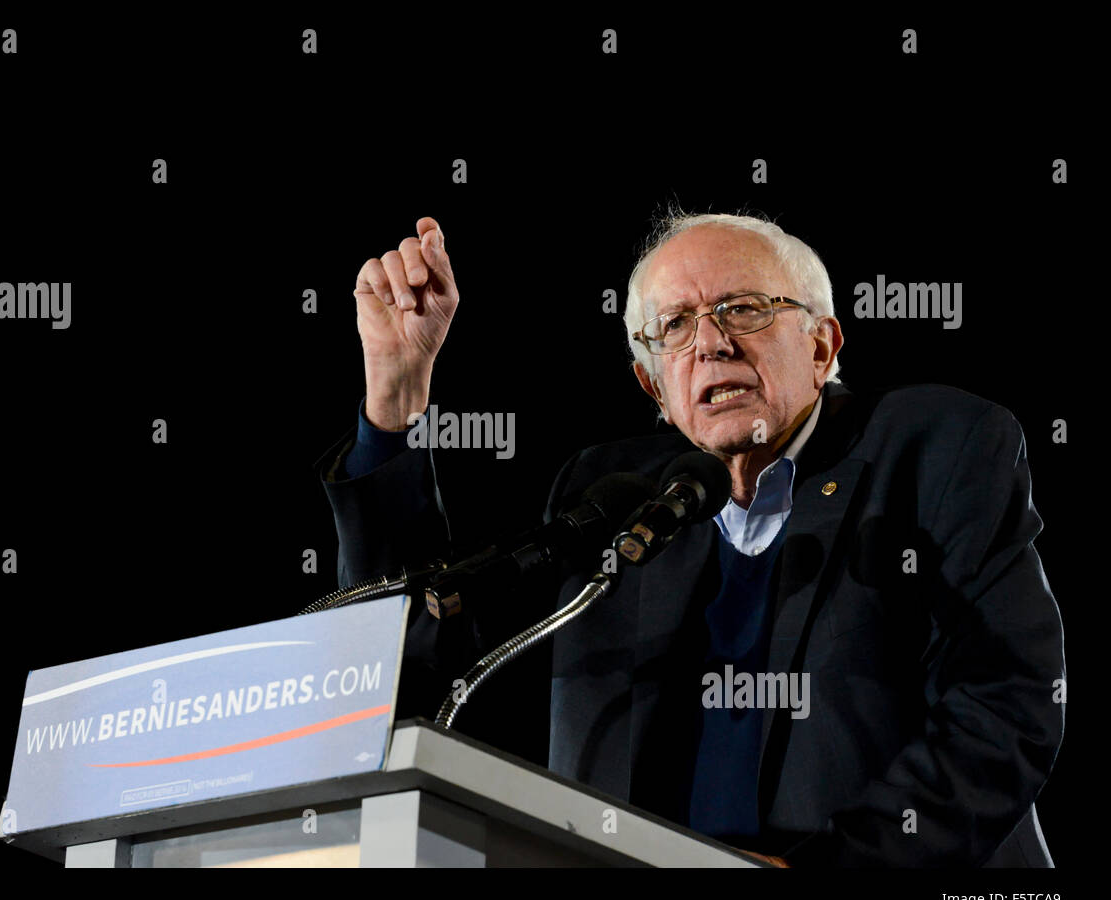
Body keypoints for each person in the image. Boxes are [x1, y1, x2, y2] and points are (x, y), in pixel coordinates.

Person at [314, 212, 1065, 866]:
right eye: (673, 326)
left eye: (743, 308)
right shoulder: (610, 496)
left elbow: (1005, 709)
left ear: (823, 346)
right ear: (655, 387)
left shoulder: (938, 449)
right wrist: (394, 401)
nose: (710, 343)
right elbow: (415, 656)